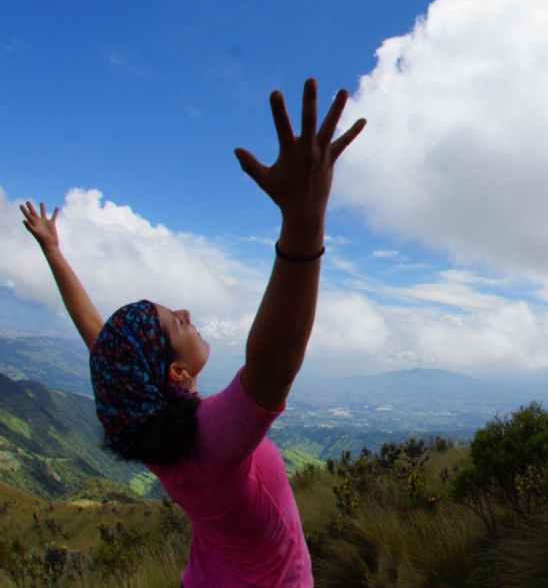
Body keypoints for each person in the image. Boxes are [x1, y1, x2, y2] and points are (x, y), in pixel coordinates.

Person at [21, 79, 366, 588]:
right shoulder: (212, 440)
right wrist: (303, 219)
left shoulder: (145, 424)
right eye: (176, 322)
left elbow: (101, 344)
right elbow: (273, 365)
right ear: (177, 372)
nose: (185, 310)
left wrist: (53, 251)